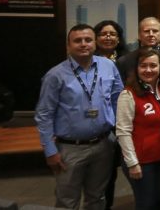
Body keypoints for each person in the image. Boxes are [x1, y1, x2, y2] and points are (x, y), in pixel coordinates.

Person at [35, 24, 124, 210]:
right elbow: (44, 114)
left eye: (88, 40)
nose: (83, 44)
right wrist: (50, 151)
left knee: (97, 198)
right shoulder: (55, 75)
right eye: (77, 41)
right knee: (67, 201)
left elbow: (118, 100)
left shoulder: (108, 66)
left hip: (103, 145)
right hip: (70, 149)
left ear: (95, 43)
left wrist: (118, 133)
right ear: (68, 46)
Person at [115, 48, 160, 210]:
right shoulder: (128, 95)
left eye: (153, 65)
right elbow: (123, 132)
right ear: (136, 68)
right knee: (147, 204)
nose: (148, 70)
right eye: (143, 66)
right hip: (142, 162)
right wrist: (132, 163)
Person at [93, 19, 128, 209]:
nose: (108, 37)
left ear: (119, 38)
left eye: (112, 34)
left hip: (125, 121)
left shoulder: (127, 60)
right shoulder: (88, 60)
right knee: (105, 173)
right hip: (102, 123)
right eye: (103, 34)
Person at [118, 17, 160, 81]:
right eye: (146, 31)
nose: (151, 34)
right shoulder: (125, 61)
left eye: (155, 31)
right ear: (139, 35)